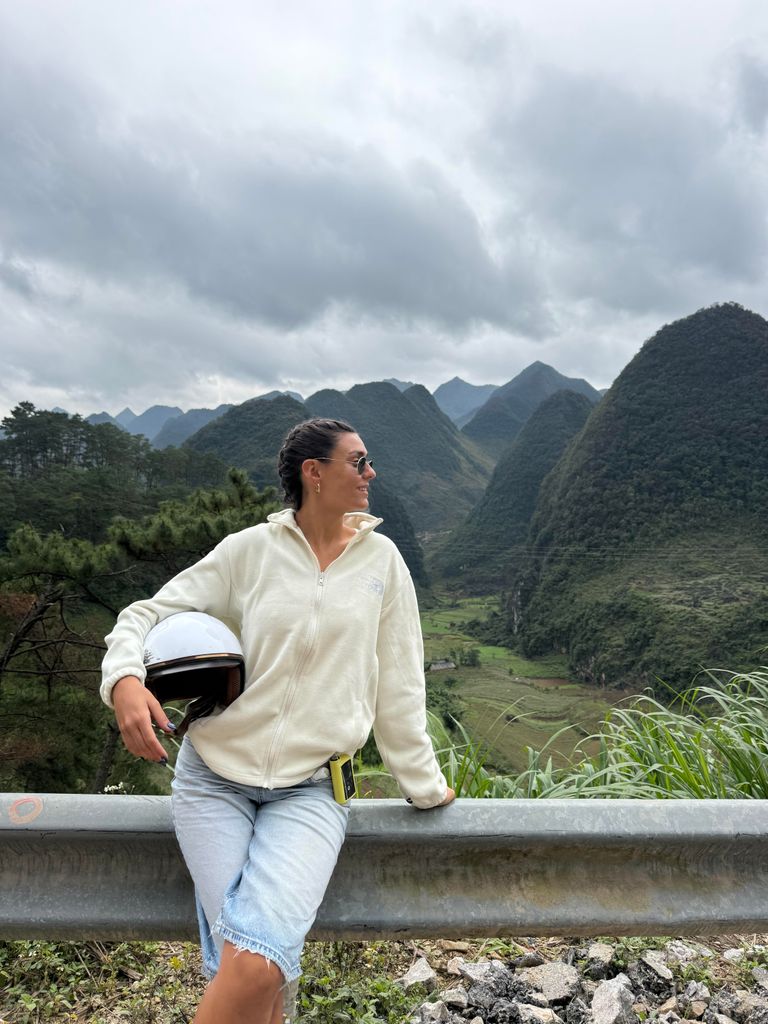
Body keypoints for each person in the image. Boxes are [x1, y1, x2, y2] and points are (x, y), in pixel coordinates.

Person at [100, 417, 456, 1024]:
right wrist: (124, 680)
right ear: (313, 474)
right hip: (213, 780)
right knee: (247, 966)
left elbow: (399, 684)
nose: (372, 474)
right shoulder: (249, 552)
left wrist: (422, 784)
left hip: (313, 789)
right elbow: (145, 613)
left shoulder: (383, 563)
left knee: (257, 962)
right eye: (359, 462)